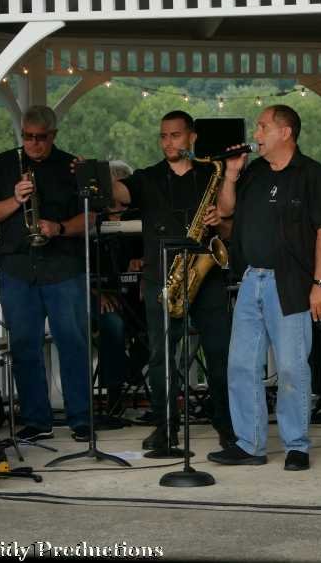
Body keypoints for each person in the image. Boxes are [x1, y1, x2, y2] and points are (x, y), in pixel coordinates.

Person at [209, 104, 321, 472]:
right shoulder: (253, 172)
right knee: (241, 364)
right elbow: (226, 211)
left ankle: (296, 445)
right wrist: (231, 175)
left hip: (292, 282)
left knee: (291, 367)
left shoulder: (313, 175)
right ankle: (248, 444)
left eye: (263, 127)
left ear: (285, 132)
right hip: (251, 278)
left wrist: (320, 284)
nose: (256, 134)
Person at [111, 111, 234, 452]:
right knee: (161, 356)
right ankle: (165, 428)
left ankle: (226, 425)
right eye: (163, 136)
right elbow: (119, 194)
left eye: (175, 135)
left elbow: (229, 229)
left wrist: (220, 221)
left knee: (219, 353)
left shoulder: (211, 174)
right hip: (162, 275)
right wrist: (96, 176)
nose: (168, 142)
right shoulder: (147, 177)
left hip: (206, 273)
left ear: (192, 137)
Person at [0, 105, 91, 442]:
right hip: (17, 266)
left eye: (40, 138)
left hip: (63, 265)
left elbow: (91, 217)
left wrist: (58, 227)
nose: (33, 143)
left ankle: (81, 419)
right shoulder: (4, 164)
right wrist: (16, 200)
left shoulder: (71, 166)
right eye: (27, 137)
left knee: (72, 342)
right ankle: (35, 419)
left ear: (53, 135)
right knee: (23, 345)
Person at [93, 160, 144, 419]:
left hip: (137, 295)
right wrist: (97, 293)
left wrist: (144, 264)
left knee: (161, 320)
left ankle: (130, 371)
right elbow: (81, 267)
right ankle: (114, 397)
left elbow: (152, 251)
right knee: (111, 324)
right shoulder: (93, 219)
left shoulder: (141, 217)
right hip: (103, 296)